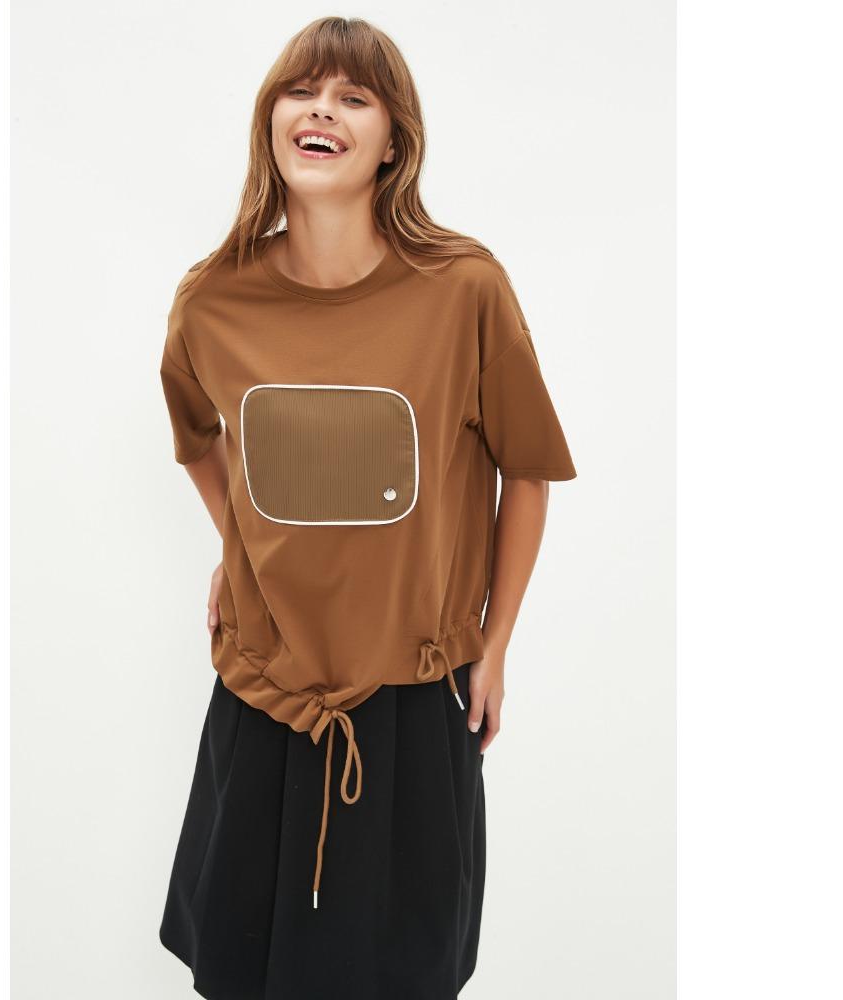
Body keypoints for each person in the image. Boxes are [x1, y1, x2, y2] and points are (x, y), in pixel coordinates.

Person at [156, 15, 577, 1000]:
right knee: (247, 974)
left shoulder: (463, 290)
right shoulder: (212, 301)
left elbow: (526, 470)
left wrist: (494, 644)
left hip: (413, 701)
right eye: (302, 92)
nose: (322, 112)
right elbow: (200, 437)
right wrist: (240, 541)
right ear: (271, 121)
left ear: (394, 141)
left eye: (353, 97)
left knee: (406, 975)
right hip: (264, 693)